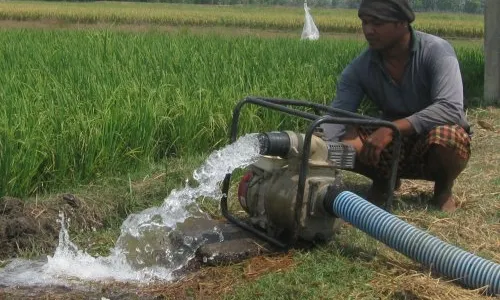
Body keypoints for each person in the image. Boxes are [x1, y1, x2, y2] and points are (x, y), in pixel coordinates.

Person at [321, 0, 471, 212]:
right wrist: (318, 145)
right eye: (364, 22)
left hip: (430, 137)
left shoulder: (437, 51)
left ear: (402, 22)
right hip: (388, 147)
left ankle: (443, 189)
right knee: (344, 138)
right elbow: (335, 120)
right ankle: (383, 182)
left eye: (377, 23)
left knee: (448, 137)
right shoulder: (358, 69)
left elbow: (450, 108)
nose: (368, 30)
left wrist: (392, 128)